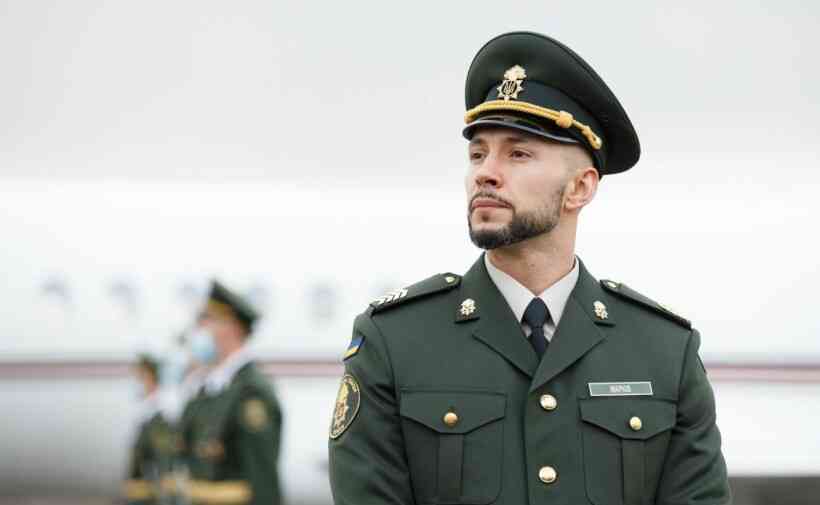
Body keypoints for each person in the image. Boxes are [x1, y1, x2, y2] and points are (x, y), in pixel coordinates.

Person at [328, 31, 731, 505]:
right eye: (478, 153)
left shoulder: (663, 351)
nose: (485, 172)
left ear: (580, 188)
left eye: (518, 154)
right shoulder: (394, 342)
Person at [179, 280, 283, 505]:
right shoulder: (208, 389)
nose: (199, 331)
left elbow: (262, 482)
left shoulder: (252, 391)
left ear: (232, 327)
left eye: (206, 320)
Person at [123, 354, 177, 505]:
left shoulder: (167, 401)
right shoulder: (138, 403)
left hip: (162, 469)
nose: (137, 380)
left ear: (149, 374)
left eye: (140, 375)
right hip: (142, 471)